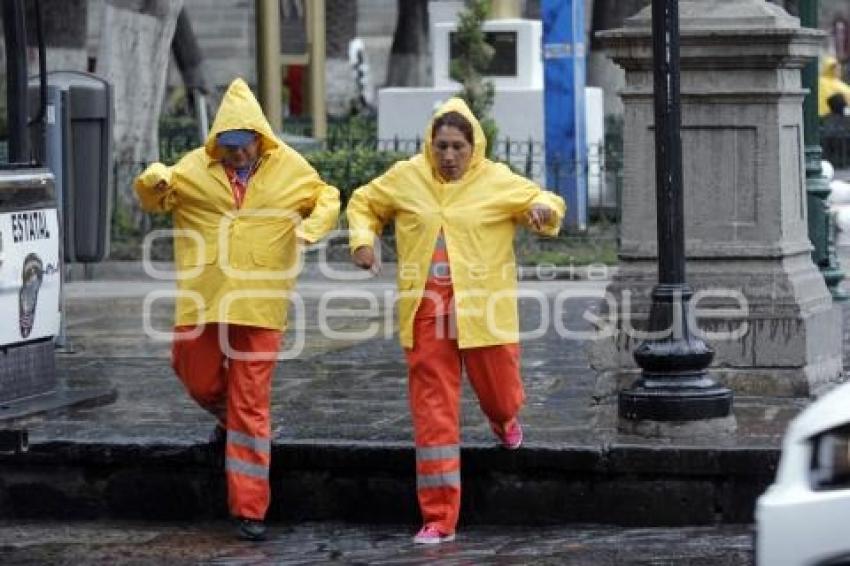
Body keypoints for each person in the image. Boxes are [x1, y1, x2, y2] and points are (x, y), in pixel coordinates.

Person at [346, 98, 565, 544]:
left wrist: (543, 212)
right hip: (426, 311)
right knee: (433, 413)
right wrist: (362, 242)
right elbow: (364, 202)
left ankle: (504, 421)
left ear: (474, 148)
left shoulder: (496, 180)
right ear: (431, 144)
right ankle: (438, 518)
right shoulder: (406, 177)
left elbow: (542, 200)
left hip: (484, 312)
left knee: (501, 396)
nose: (449, 156)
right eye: (442, 146)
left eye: (458, 147)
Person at [134, 78, 340, 541]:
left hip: (261, 302)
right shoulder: (194, 167)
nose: (236, 156)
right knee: (194, 372)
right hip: (204, 296)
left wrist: (311, 229)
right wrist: (154, 178)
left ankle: (249, 509)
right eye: (228, 147)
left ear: (259, 139)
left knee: (251, 400)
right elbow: (153, 198)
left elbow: (327, 196)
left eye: (243, 146)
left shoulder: (290, 166)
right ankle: (242, 425)